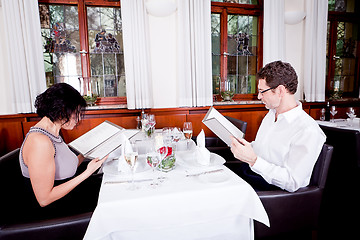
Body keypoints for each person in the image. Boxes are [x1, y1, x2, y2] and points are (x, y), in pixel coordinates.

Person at [230, 61, 326, 192]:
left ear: (280, 90)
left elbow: (292, 181)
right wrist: (246, 147)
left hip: (271, 191)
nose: (259, 97)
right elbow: (264, 149)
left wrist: (254, 160)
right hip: (250, 174)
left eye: (262, 92)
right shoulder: (271, 115)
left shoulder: (308, 130)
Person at [19, 83, 107, 219]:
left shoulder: (52, 131)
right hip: (56, 210)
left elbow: (64, 168)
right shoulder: (40, 142)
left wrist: (85, 153)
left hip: (67, 196)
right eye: (75, 114)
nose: (77, 120)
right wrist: (87, 172)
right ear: (61, 110)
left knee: (111, 183)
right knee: (111, 199)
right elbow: (44, 199)